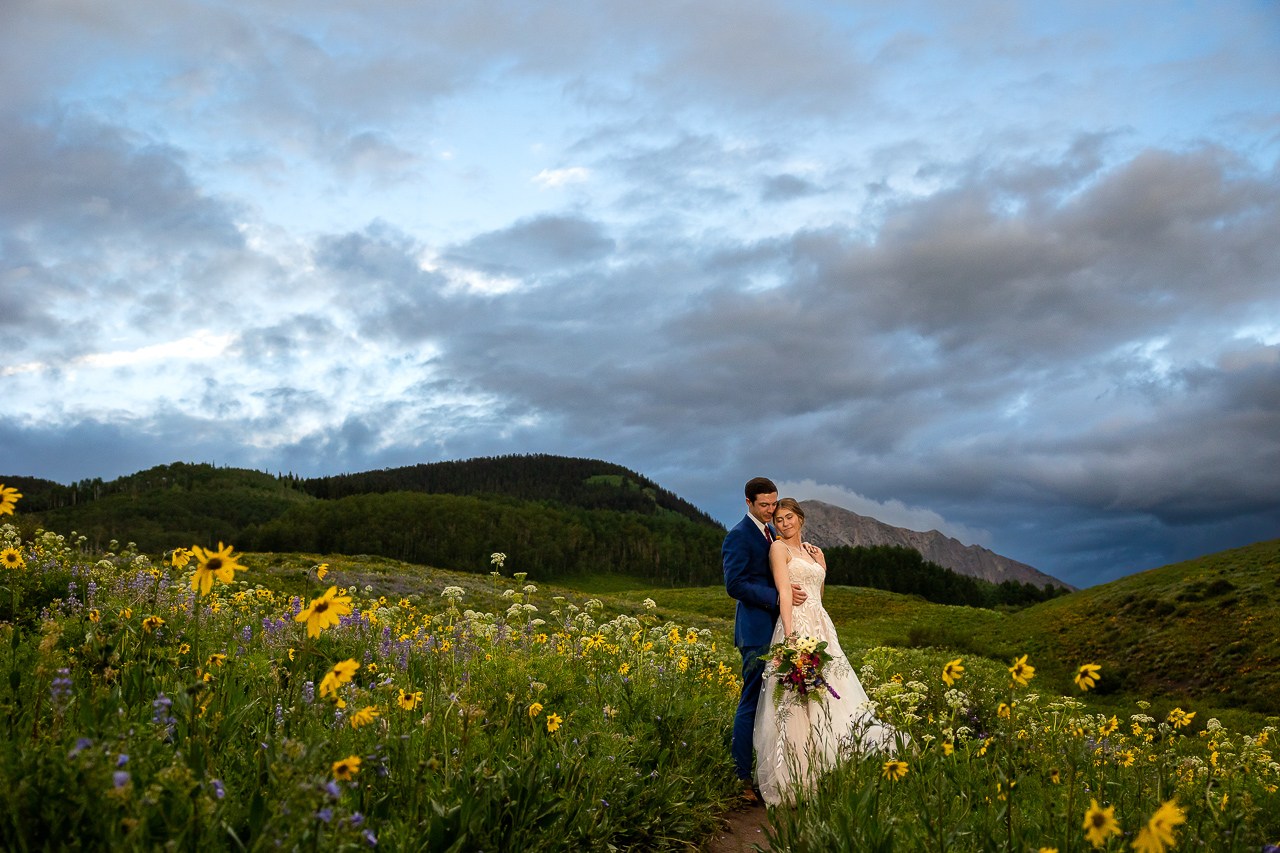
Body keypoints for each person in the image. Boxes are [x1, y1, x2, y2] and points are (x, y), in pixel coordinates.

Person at [752, 497, 895, 805]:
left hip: (822, 625)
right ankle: (799, 776)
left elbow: (819, 593)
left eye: (789, 517)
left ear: (800, 518)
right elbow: (785, 593)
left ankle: (833, 768)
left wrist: (822, 567)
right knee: (798, 699)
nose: (784, 523)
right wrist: (790, 637)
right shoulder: (779, 549)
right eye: (778, 520)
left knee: (833, 693)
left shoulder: (814, 552)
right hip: (798, 626)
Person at [723, 478, 814, 804]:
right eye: (764, 505)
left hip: (780, 631)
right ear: (748, 502)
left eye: (774, 504)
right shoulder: (738, 536)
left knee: (780, 704)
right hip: (757, 633)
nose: (771, 510)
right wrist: (779, 597)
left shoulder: (771, 533)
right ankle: (741, 778)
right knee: (752, 703)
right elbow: (735, 584)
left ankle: (779, 774)